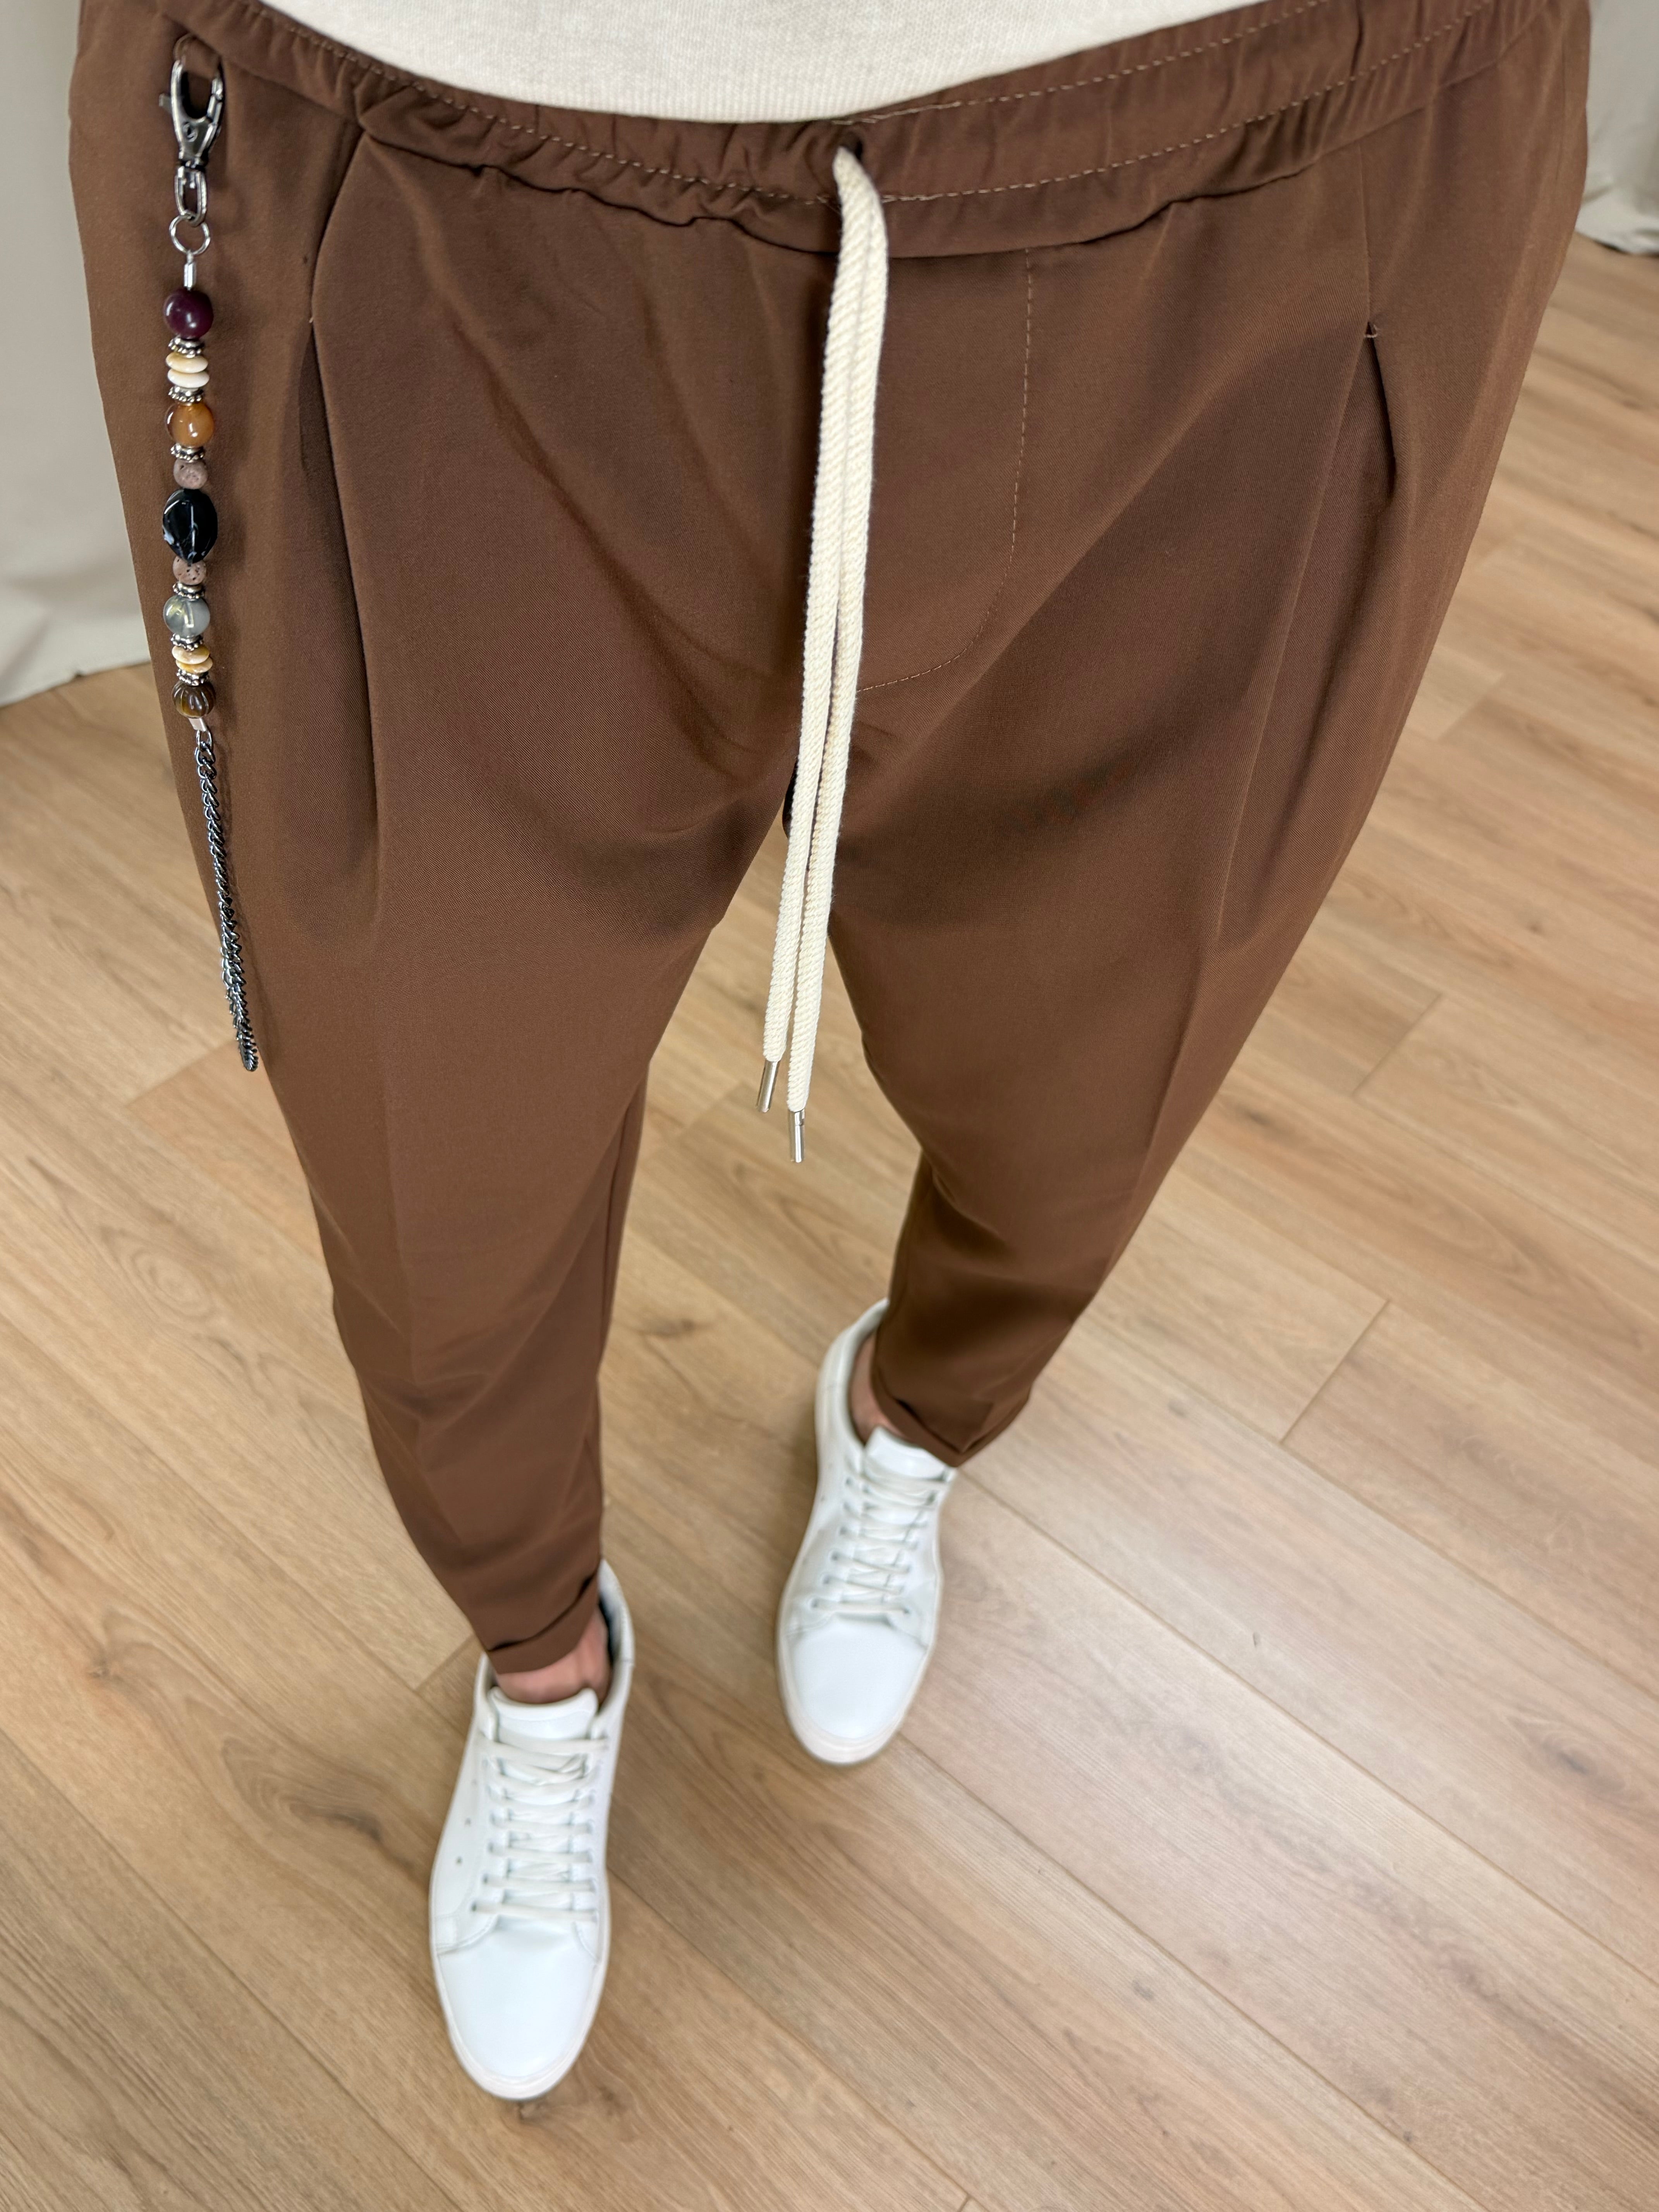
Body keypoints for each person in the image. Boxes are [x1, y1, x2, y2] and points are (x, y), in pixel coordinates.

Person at [69, 0, 1586, 2104]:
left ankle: (912, 1420)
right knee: (436, 1147)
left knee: (1096, 1061)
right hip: (417, 127)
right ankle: (541, 1653)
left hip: (1288, 131)